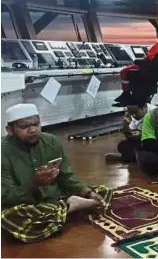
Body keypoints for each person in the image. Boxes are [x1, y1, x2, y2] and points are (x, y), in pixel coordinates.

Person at [1, 104, 110, 243]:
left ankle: (61, 213)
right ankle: (71, 209)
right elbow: (5, 197)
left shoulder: (50, 141)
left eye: (36, 124)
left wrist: (88, 193)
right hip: (27, 204)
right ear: (10, 130)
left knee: (103, 192)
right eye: (24, 127)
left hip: (57, 197)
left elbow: (66, 176)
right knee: (7, 217)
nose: (33, 130)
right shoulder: (3, 153)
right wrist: (35, 184)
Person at [105, 96, 156, 162]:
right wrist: (125, 125)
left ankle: (123, 157)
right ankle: (134, 156)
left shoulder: (154, 113)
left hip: (155, 140)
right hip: (141, 141)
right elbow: (131, 137)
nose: (133, 115)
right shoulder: (132, 116)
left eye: (135, 112)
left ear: (144, 107)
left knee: (147, 147)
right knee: (122, 145)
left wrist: (139, 135)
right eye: (131, 113)